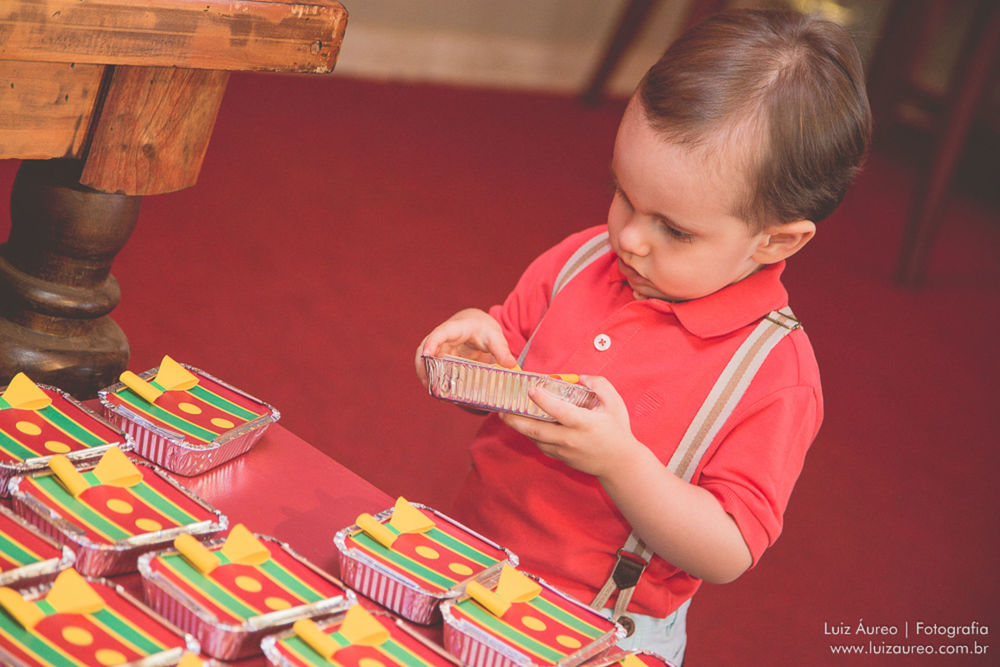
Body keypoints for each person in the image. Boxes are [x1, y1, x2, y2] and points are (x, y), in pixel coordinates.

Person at [415, 8, 871, 664]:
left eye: (675, 230)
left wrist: (620, 462)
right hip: (467, 558)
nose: (628, 236)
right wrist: (468, 353)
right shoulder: (581, 259)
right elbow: (501, 377)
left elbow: (728, 549)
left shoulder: (772, 372)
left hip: (601, 627)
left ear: (776, 240)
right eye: (622, 193)